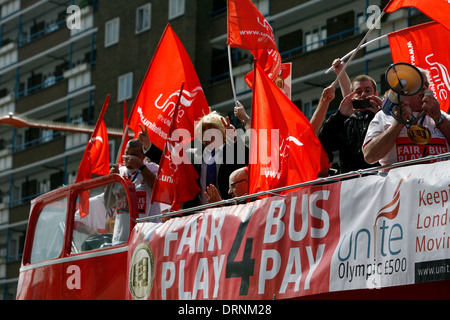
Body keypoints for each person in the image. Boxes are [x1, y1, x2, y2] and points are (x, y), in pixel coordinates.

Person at [363, 69, 450, 166]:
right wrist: (397, 125)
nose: (424, 87)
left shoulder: (442, 116)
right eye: (419, 84)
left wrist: (439, 118)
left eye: (426, 84)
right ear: (404, 90)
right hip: (400, 181)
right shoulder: (384, 116)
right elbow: (370, 156)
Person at [318, 59, 382, 173]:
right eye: (358, 92)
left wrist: (382, 115)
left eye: (367, 91)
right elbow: (325, 144)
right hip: (350, 182)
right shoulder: (344, 120)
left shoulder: (384, 117)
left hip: (379, 179)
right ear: (352, 96)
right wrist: (340, 115)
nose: (363, 95)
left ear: (375, 94)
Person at [184, 111, 249, 208]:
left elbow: (248, 157)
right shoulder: (193, 155)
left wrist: (234, 139)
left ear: (221, 130)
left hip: (228, 209)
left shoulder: (233, 151)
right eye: (203, 130)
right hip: (198, 214)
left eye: (211, 128)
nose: (207, 132)